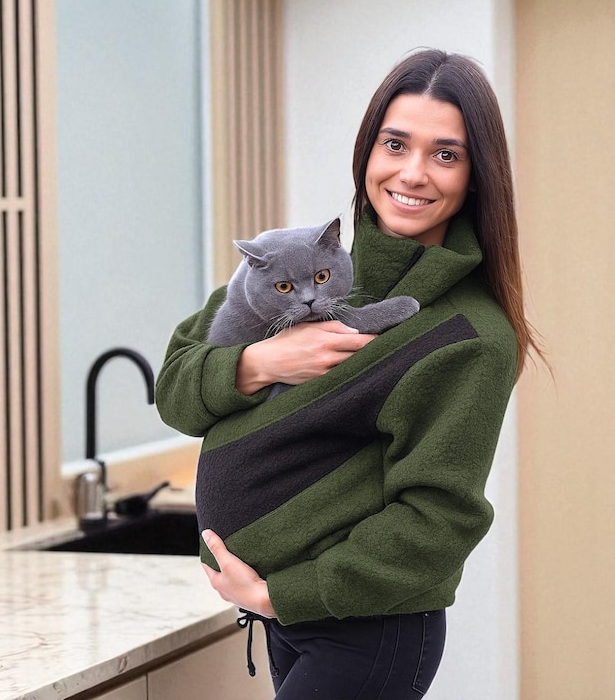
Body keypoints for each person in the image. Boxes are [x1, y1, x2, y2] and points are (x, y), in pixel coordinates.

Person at [155, 48, 543, 698]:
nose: (413, 173)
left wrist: (285, 593)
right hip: (294, 622)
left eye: (445, 154)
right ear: (368, 152)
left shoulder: (468, 335)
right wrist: (256, 363)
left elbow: (438, 519)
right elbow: (175, 394)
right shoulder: (299, 267)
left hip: (364, 632)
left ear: (476, 176)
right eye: (396, 144)